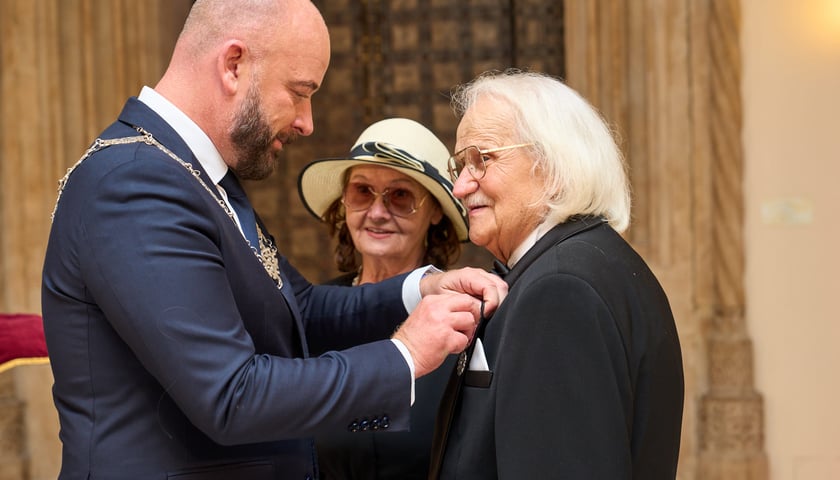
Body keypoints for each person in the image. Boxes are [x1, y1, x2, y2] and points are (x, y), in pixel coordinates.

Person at [40, 2, 507, 479]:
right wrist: (406, 354)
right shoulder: (134, 184)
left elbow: (298, 311)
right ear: (233, 64)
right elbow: (230, 395)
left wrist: (420, 289)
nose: (308, 122)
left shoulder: (197, 177)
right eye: (299, 92)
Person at [429, 70, 685, 479]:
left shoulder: (559, 290)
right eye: (461, 164)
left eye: (483, 159)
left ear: (552, 164)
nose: (460, 186)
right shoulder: (595, 262)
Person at [297, 117, 468, 479]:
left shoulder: (462, 320)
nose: (376, 213)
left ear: (436, 211)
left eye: (400, 195)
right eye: (362, 191)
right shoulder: (311, 316)